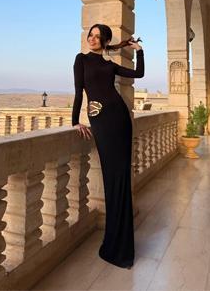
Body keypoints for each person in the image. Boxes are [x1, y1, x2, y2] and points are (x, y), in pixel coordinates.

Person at [72, 23, 144, 270]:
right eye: (90, 35)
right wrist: (75, 122)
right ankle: (115, 243)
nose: (92, 39)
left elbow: (139, 74)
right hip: (100, 121)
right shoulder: (81, 60)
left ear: (104, 41)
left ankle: (122, 248)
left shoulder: (110, 65)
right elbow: (79, 92)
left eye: (97, 36)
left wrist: (139, 51)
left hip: (119, 118)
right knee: (111, 177)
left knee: (121, 177)